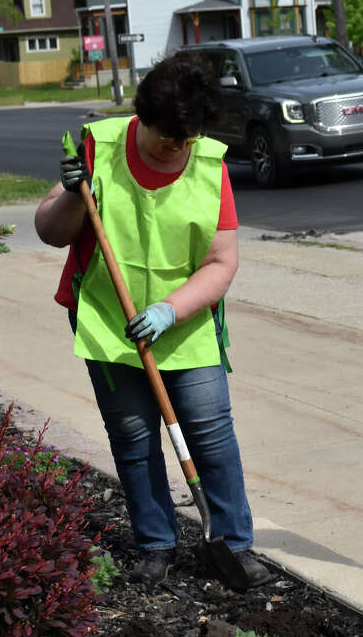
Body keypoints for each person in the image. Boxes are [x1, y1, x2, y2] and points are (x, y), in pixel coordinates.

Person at [34, 52, 269, 588]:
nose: (174, 149)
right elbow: (51, 230)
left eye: (185, 140)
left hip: (184, 323)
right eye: (166, 137)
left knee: (210, 436)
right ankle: (156, 544)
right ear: (143, 117)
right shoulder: (101, 146)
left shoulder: (208, 164)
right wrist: (74, 193)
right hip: (106, 319)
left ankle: (233, 543)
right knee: (134, 437)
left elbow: (221, 262)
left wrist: (169, 310)